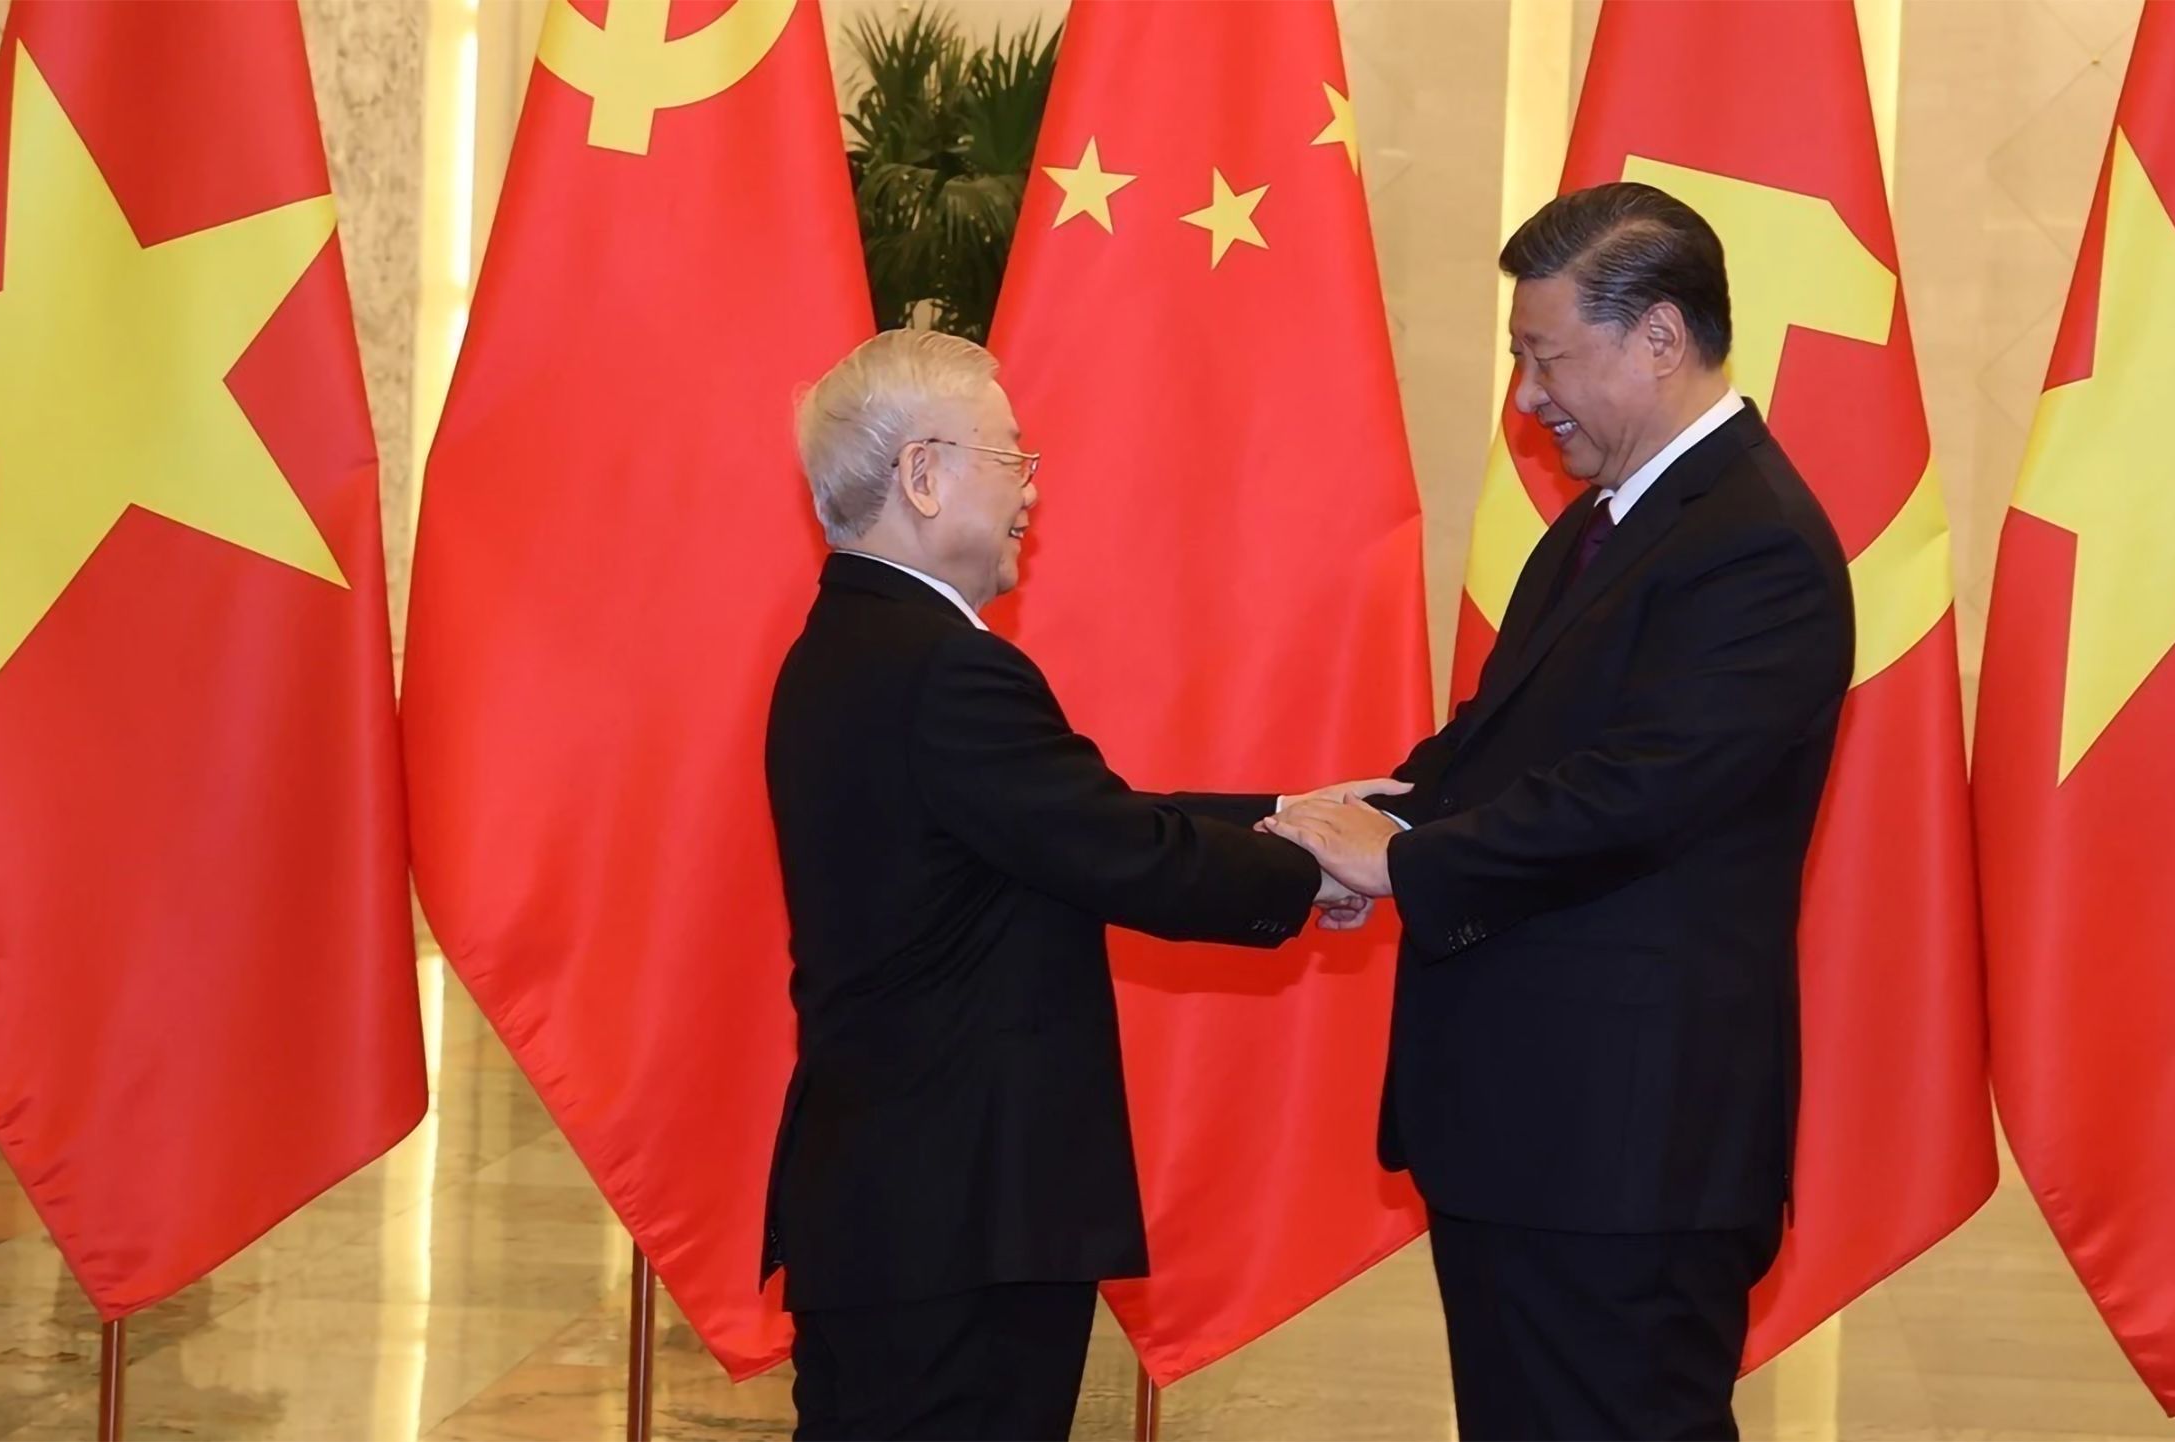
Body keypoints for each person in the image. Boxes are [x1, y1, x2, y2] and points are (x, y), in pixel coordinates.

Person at [1267, 182, 1856, 1441]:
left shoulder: (1755, 543)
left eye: (1546, 356)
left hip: (1626, 1151)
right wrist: (1351, 823)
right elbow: (1500, 746)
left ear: (1658, 336)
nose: (1527, 394)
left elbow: (1638, 792)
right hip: (1536, 1135)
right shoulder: (1604, 521)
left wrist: (1405, 864)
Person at [762, 329, 1365, 1441]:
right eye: (1013, 458)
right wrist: (1317, 861)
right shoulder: (945, 666)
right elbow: (1114, 847)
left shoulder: (850, 644)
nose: (1033, 491)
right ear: (922, 475)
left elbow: (1069, 818)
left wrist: (1289, 811)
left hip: (894, 1200)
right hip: (960, 1212)